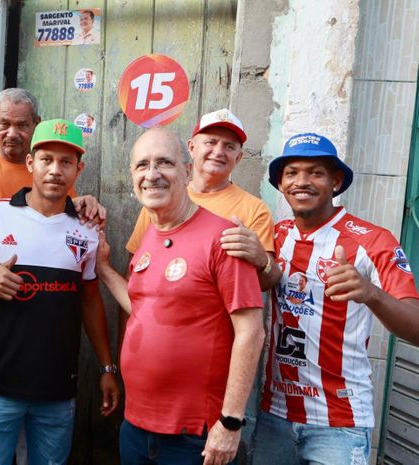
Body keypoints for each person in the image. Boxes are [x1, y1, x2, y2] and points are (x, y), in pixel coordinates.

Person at [0, 119, 120, 465]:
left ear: (79, 169)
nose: (55, 170)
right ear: (30, 163)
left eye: (66, 162)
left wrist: (107, 368)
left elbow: (90, 301)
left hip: (57, 391)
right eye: (46, 159)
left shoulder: (87, 229)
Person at [95, 127, 265, 465]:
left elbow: (251, 331)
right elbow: (143, 307)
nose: (152, 174)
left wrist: (230, 422)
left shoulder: (223, 237)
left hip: (194, 435)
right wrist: (103, 269)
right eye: (142, 165)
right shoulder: (150, 234)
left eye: (164, 163)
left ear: (187, 171)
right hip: (135, 426)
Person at [251, 133, 419, 464]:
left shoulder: (374, 241)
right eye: (292, 173)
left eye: (316, 172)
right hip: (274, 416)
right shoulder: (275, 235)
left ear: (336, 181)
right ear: (281, 184)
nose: (302, 181)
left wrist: (371, 294)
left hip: (340, 423)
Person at [125, 109, 279, 291]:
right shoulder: (161, 198)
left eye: (229, 146)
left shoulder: (255, 209)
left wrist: (262, 260)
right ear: (191, 148)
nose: (218, 152)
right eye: (210, 142)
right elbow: (134, 274)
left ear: (238, 157)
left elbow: (263, 285)